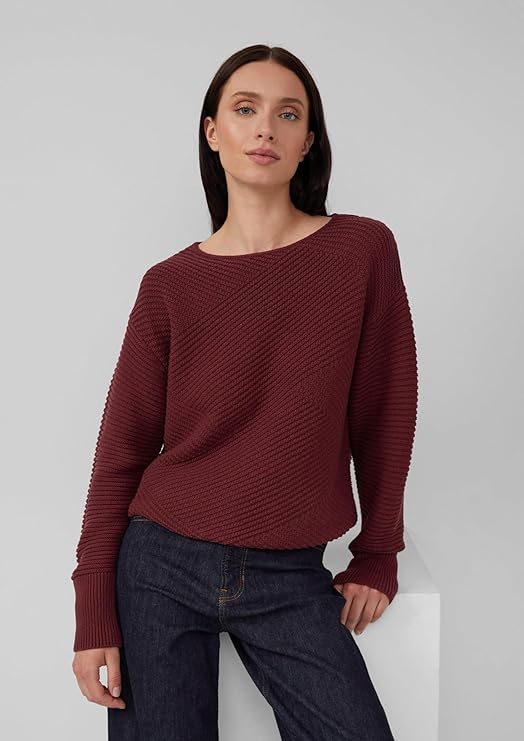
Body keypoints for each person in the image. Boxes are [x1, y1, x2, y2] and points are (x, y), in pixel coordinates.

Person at [71, 43, 418, 740]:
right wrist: (93, 607)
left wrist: (378, 549)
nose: (266, 128)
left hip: (289, 573)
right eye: (245, 109)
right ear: (213, 132)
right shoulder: (169, 285)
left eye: (288, 114)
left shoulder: (361, 251)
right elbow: (122, 451)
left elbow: (384, 410)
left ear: (308, 141)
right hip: (159, 567)